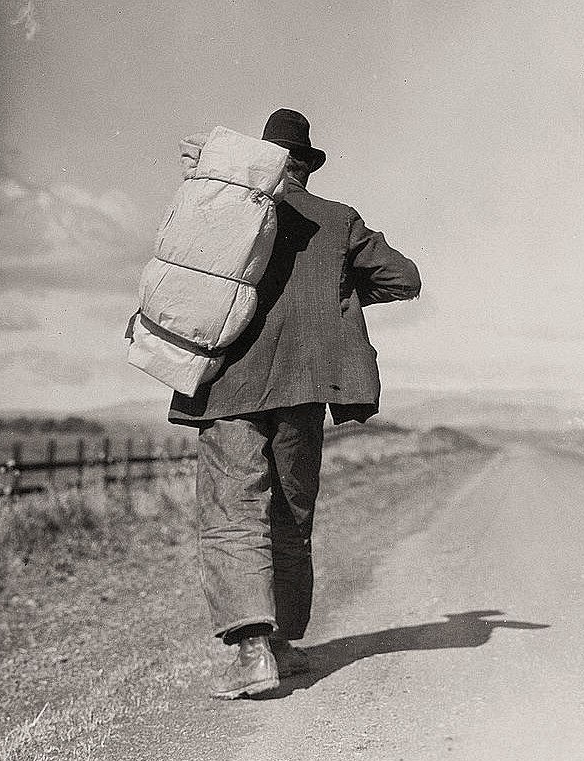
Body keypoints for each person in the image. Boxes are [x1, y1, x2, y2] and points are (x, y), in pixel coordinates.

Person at [168, 108, 422, 698]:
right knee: (289, 511)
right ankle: (280, 644)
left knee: (234, 512)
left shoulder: (225, 211)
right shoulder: (338, 223)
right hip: (305, 390)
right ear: (306, 165)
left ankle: (254, 654)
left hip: (226, 386)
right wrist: (331, 296)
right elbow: (404, 279)